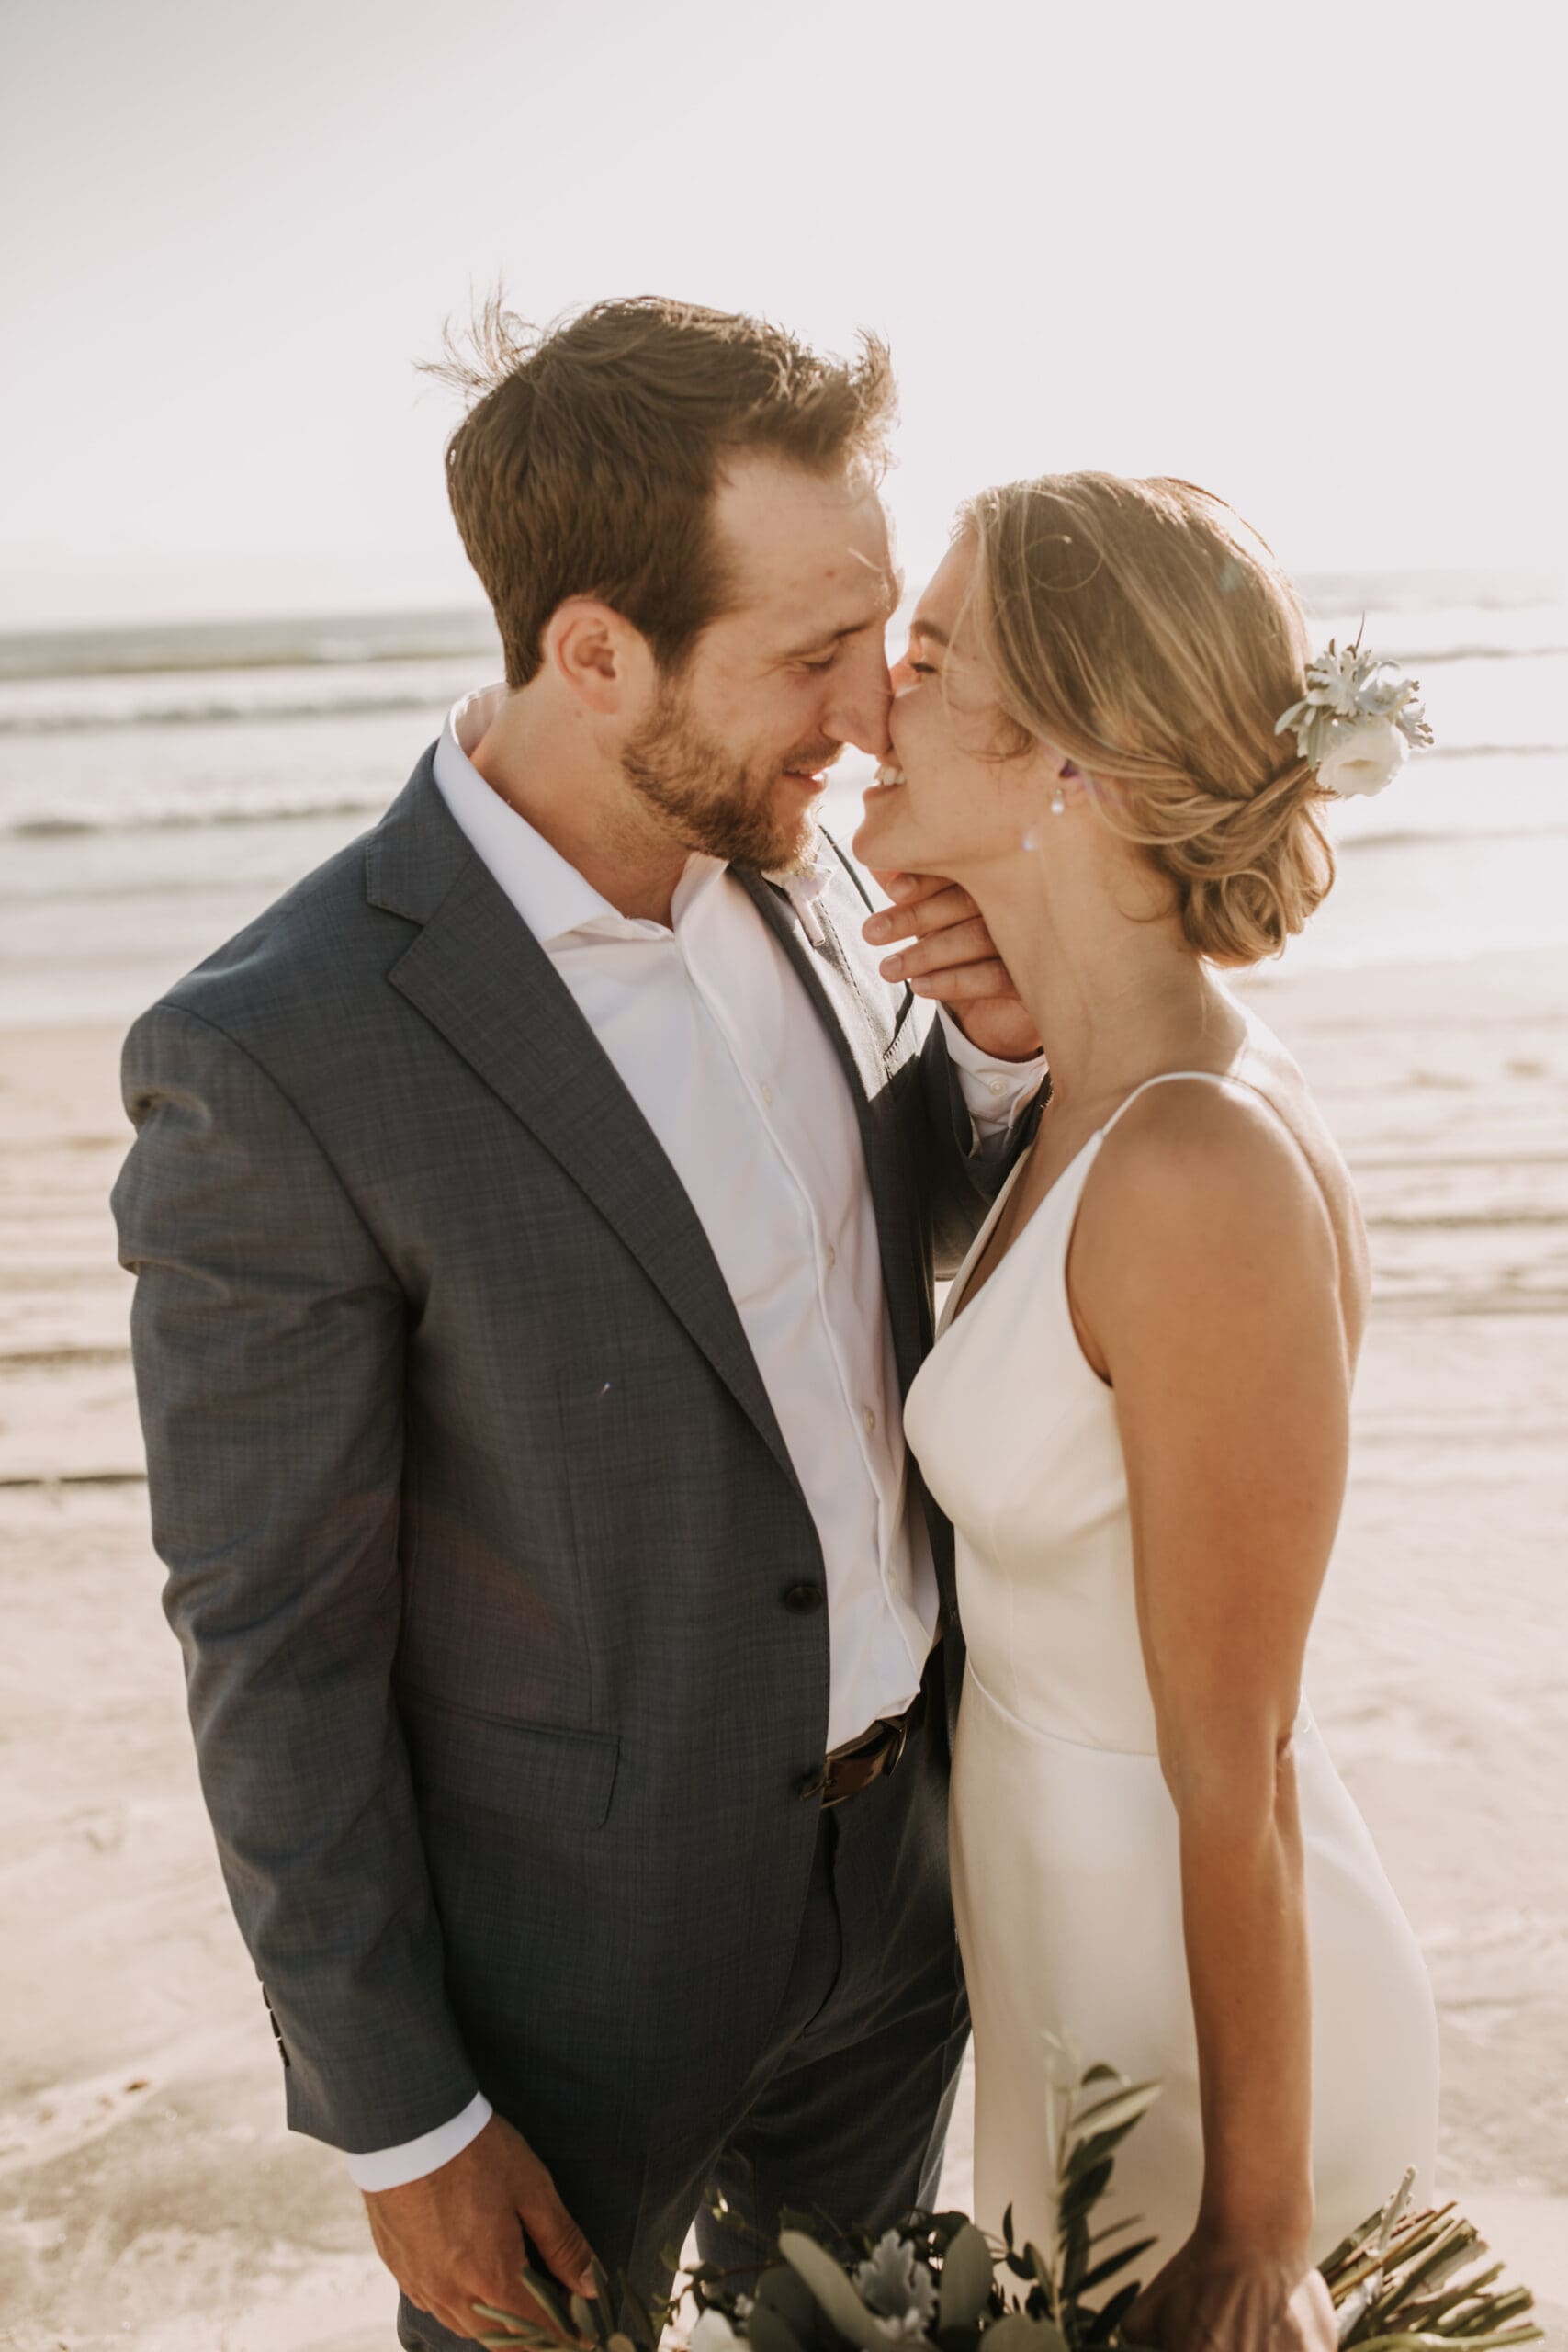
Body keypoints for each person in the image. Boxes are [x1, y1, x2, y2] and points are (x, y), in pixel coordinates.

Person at [111, 298, 1044, 2350]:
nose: (867, 722)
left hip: (907, 1901)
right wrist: (400, 2120)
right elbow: (269, 1633)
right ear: (593, 648)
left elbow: (847, 1261)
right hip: (570, 1985)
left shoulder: (788, 869)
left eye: (871, 644)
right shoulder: (276, 1057)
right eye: (811, 658)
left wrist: (986, 1061)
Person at [855, 474, 1440, 2352]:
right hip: (1066, 1972)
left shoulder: (1193, 1164)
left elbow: (1235, 1753)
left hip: (1197, 2048)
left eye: (927, 656)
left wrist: (1258, 2235)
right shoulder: (1098, 1098)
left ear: (1064, 762)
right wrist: (1012, 1002)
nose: (875, 691)